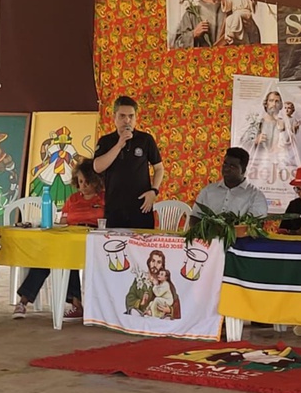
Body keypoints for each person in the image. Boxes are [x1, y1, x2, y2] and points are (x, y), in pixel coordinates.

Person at [12, 159, 104, 321]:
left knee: (67, 256)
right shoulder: (73, 199)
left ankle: (76, 304)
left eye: (87, 181)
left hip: (94, 243)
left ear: (96, 181)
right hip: (70, 240)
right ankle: (23, 302)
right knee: (49, 257)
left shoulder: (104, 199)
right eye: (80, 181)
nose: (83, 185)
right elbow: (62, 223)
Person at [94, 96, 164, 229]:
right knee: (114, 247)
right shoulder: (106, 141)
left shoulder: (146, 139)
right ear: (114, 117)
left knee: (142, 248)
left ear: (136, 118)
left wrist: (154, 191)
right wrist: (119, 144)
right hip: (115, 208)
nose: (127, 120)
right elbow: (97, 167)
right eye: (122, 116)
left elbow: (159, 168)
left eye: (131, 116)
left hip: (141, 207)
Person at [190, 147, 268, 225]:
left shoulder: (256, 196)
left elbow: (256, 226)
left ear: (243, 170)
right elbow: (195, 218)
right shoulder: (208, 191)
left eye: (232, 166)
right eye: (225, 164)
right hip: (208, 237)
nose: (226, 169)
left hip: (240, 237)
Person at [126, 250, 181, 319]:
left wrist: (169, 310)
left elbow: (176, 303)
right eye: (153, 261)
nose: (155, 265)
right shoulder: (140, 280)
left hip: (160, 318)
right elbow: (130, 297)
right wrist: (140, 302)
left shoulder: (166, 283)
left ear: (162, 266)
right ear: (149, 262)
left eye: (159, 262)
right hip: (143, 316)